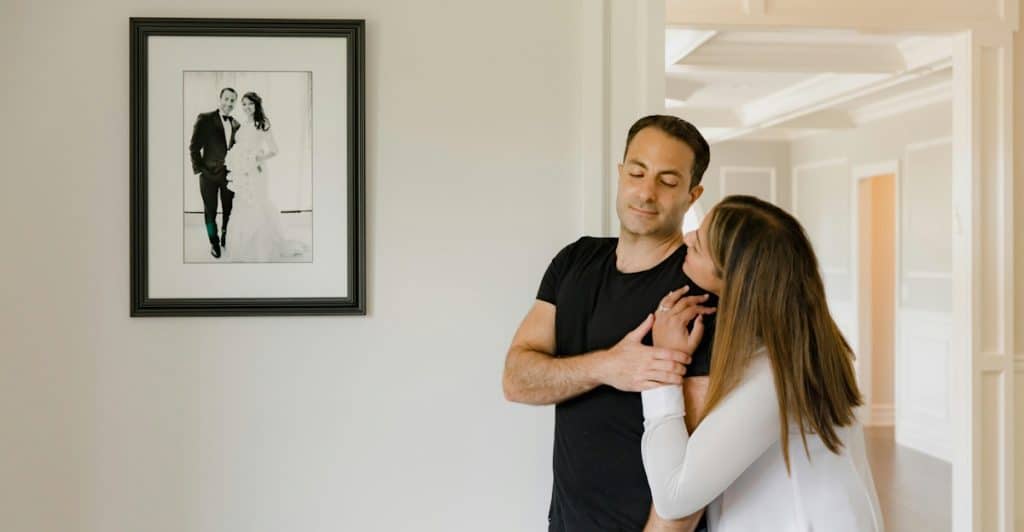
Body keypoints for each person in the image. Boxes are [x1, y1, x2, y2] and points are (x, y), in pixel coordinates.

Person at [503, 115, 718, 532]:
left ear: (693, 195)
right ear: (621, 174)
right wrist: (609, 367)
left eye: (668, 181)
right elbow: (516, 379)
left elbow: (697, 467)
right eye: (637, 172)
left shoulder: (696, 292)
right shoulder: (574, 262)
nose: (646, 191)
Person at [640, 195, 884, 532]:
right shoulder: (805, 348)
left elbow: (674, 496)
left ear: (735, 279)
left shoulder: (774, 378)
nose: (686, 238)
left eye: (699, 244)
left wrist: (663, 366)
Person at [223, 91, 306, 262]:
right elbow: (240, 146)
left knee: (257, 203)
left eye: (250, 104)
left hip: (256, 171)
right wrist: (238, 160)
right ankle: (242, 247)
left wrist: (257, 158)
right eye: (244, 104)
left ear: (257, 105)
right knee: (242, 204)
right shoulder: (243, 124)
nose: (246, 107)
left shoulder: (263, 123)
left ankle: (260, 248)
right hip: (242, 172)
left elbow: (275, 150)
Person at [189, 87, 240, 259]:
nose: (229, 103)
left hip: (229, 177)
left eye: (232, 100)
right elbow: (194, 148)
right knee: (210, 211)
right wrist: (200, 170)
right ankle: (214, 242)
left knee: (229, 210)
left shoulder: (236, 124)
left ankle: (226, 236)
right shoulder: (205, 119)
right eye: (226, 99)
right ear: (220, 99)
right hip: (208, 176)